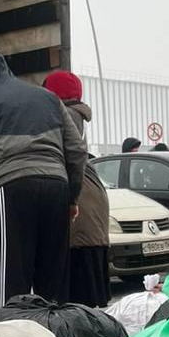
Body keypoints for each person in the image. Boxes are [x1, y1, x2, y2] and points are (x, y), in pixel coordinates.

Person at [0, 50, 87, 312]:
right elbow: (77, 150)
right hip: (56, 187)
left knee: (11, 280)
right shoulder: (49, 98)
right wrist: (72, 197)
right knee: (53, 282)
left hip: (12, 189)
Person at [44, 71, 111, 307]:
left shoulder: (62, 115)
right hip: (92, 200)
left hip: (80, 201)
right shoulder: (77, 114)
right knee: (89, 291)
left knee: (74, 294)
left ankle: (78, 336)